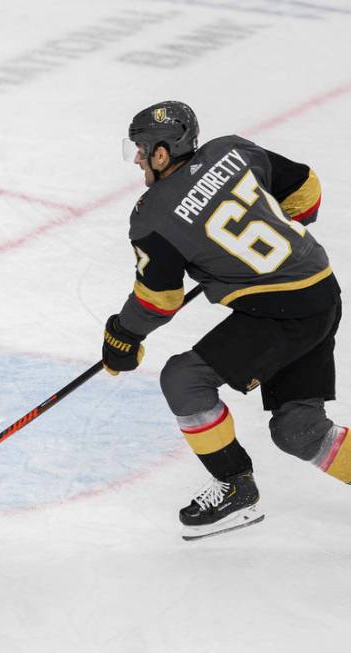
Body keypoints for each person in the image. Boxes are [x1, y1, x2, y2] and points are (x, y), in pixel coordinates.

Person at [103, 100, 347, 540]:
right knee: (298, 431)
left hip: (281, 313)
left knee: (183, 379)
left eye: (141, 148)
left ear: (162, 153)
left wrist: (122, 337)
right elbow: (306, 189)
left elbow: (159, 299)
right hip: (322, 292)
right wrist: (275, 229)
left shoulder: (152, 216)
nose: (137, 157)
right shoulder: (232, 151)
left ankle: (235, 486)